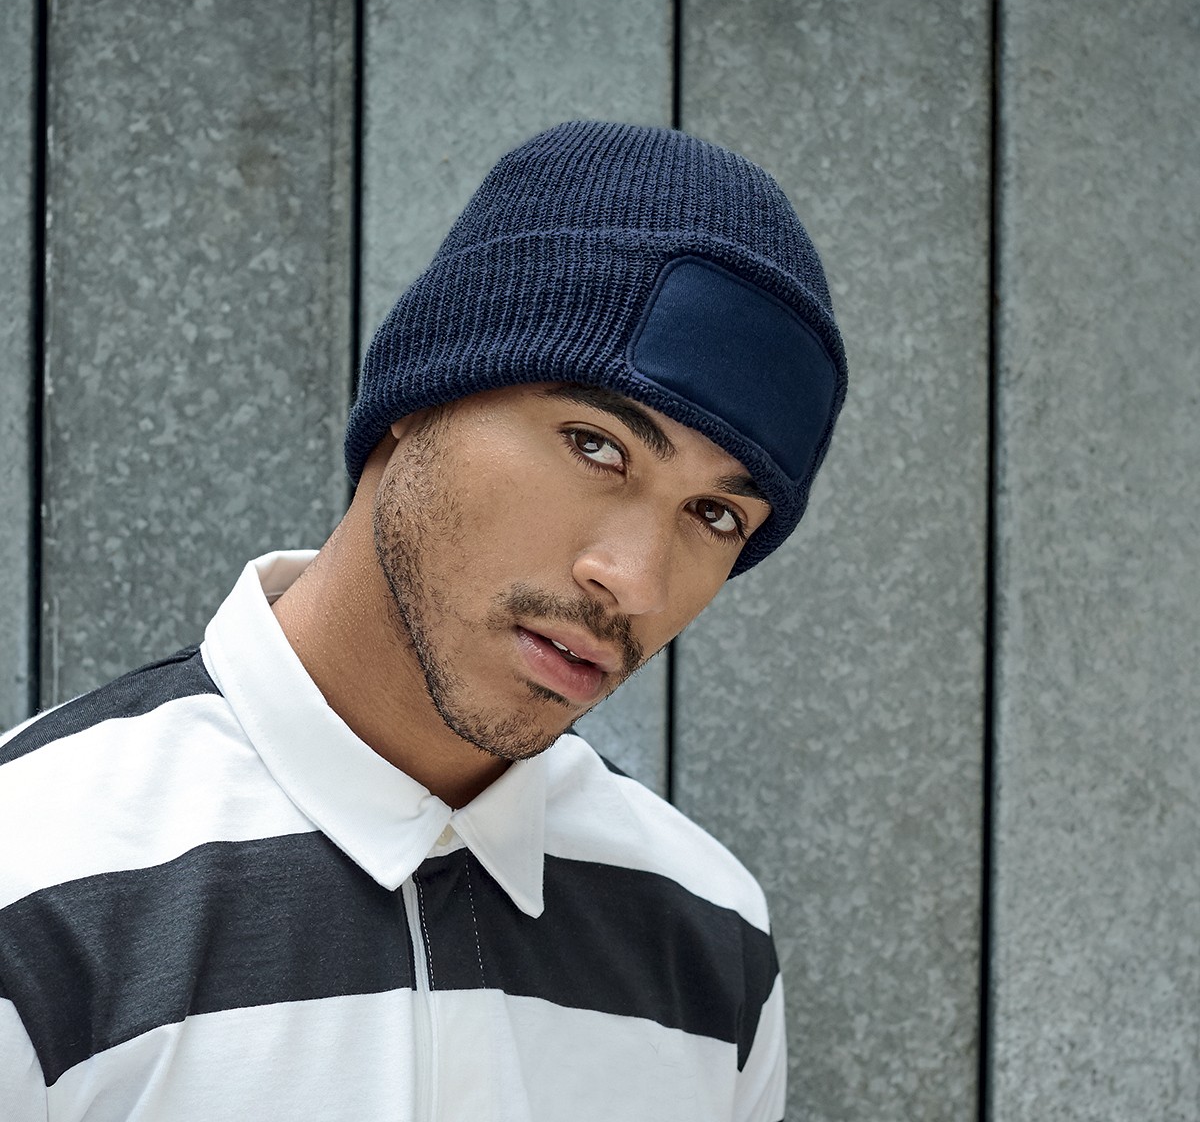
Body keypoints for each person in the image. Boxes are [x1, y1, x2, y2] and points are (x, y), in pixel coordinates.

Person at [0, 120, 846, 1121]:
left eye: (715, 516)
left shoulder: (709, 941)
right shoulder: (34, 883)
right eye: (596, 446)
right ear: (420, 396)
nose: (634, 583)